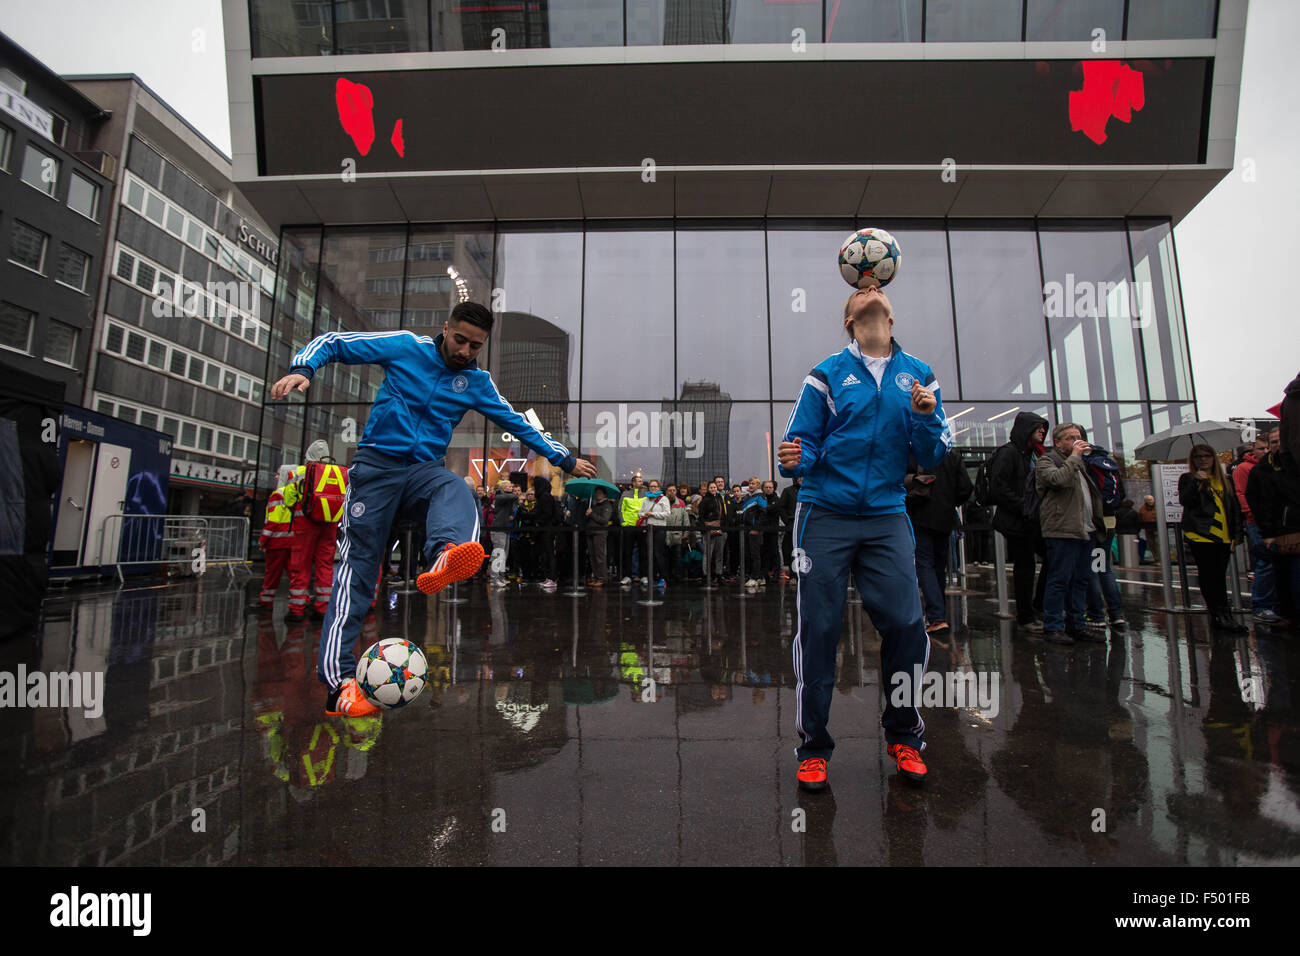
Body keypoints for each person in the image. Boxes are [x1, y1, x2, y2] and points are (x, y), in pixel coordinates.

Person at [270, 302, 596, 717]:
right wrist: (304, 367)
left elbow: (518, 422)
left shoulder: (476, 382)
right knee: (357, 571)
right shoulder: (406, 348)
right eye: (460, 340)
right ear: (446, 328)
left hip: (424, 471)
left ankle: (444, 552)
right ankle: (339, 686)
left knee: (456, 489)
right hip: (376, 470)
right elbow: (335, 342)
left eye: (475, 346)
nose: (464, 351)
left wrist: (565, 459)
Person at [779, 283, 953, 791]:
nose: (869, 288)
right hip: (824, 514)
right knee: (821, 629)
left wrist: (925, 418)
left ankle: (904, 735)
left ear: (892, 317)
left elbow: (935, 452)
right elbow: (802, 443)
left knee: (905, 624)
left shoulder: (919, 375)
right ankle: (814, 747)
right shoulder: (826, 373)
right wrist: (797, 460)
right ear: (850, 319)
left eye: (878, 285)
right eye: (859, 289)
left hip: (885, 515)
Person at [1035, 423, 1106, 645]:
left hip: (1085, 529)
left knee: (1080, 580)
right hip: (1062, 529)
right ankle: (1053, 626)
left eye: (1078, 437)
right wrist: (1075, 456)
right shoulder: (1048, 461)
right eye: (1070, 438)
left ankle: (1077, 624)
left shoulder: (1081, 464)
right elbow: (1057, 480)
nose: (1076, 441)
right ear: (1058, 442)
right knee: (1059, 579)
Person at [987, 411, 1051, 632]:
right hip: (1018, 520)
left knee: (1050, 558)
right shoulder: (1009, 454)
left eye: (1044, 427)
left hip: (1033, 519)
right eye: (1038, 427)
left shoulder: (1034, 455)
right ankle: (1026, 616)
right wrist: (1025, 506)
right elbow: (998, 488)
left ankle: (1036, 607)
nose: (1043, 431)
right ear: (1026, 429)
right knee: (1025, 567)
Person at [1245, 376, 1300, 625]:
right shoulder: (1261, 471)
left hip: (1287, 524)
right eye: (1274, 442)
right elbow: (1257, 500)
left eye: (1280, 441)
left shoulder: (1288, 466)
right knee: (1276, 569)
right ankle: (1271, 607)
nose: (1278, 445)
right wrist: (1265, 530)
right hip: (1274, 527)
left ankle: (1282, 609)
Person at [1179, 444, 1246, 633]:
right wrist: (1197, 483)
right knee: (1209, 576)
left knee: (1219, 576)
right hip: (1201, 535)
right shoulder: (1188, 479)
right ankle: (1218, 615)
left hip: (1223, 536)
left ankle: (1225, 614)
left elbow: (1233, 509)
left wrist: (1237, 533)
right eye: (1198, 456)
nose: (1203, 460)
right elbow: (1186, 501)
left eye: (1206, 456)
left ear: (1213, 458)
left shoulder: (1225, 480)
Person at [906, 450, 973, 634]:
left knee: (924, 564)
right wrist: (949, 501)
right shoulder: (951, 455)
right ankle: (938, 612)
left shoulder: (916, 452)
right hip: (944, 517)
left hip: (920, 514)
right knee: (938, 567)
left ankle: (937, 616)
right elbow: (966, 488)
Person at [286, 439, 349, 622]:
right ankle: (323, 607)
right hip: (329, 524)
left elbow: (289, 501)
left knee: (301, 564)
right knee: (325, 565)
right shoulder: (337, 473)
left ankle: (297, 608)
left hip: (305, 522)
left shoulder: (298, 472)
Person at [1233, 434, 1283, 625]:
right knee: (1266, 561)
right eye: (1262, 448)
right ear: (1253, 449)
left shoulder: (1274, 466)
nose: (1266, 451)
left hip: (1274, 521)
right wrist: (1251, 516)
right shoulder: (1245, 468)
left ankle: (1275, 605)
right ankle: (1262, 605)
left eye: (1267, 448)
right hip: (1257, 521)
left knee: (1276, 562)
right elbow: (1242, 494)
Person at [252, 464, 299, 611]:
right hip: (292, 541)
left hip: (277, 543)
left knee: (272, 574)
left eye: (279, 474)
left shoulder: (278, 494)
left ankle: (265, 602)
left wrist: (262, 540)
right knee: (294, 574)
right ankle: (300, 600)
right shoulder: (297, 493)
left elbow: (272, 522)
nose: (276, 477)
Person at [637, 479, 671, 587]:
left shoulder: (664, 499)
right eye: (651, 486)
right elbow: (639, 513)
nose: (653, 488)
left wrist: (652, 514)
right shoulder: (646, 499)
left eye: (655, 486)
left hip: (659, 529)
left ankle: (663, 577)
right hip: (648, 528)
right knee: (649, 554)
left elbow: (667, 514)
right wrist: (644, 514)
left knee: (658, 553)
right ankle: (652, 577)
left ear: (659, 488)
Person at [619, 474, 647, 585]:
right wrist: (623, 523)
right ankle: (627, 576)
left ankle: (644, 575)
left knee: (643, 552)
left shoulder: (645, 494)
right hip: (629, 527)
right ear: (633, 483)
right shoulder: (625, 494)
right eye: (639, 481)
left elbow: (648, 508)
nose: (641, 483)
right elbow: (620, 509)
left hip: (641, 526)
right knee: (627, 552)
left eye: (641, 481)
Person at [585, 487, 616, 586]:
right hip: (590, 532)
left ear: (604, 494)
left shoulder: (607, 505)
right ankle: (596, 577)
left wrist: (592, 514)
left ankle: (601, 578)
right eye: (596, 493)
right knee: (592, 556)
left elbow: (604, 520)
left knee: (600, 556)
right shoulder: (593, 504)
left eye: (600, 493)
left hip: (600, 533)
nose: (598, 495)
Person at [779, 475, 802, 577]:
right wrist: (787, 521)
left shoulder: (810, 490)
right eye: (799, 477)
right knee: (793, 551)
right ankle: (793, 575)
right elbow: (781, 507)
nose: (801, 479)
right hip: (792, 524)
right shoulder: (788, 490)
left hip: (806, 524)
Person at [1136, 494, 1161, 565]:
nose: (1151, 501)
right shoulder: (1142, 509)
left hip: (1157, 528)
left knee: (1157, 543)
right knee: (1151, 544)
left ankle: (1159, 559)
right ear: (1145, 501)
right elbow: (1140, 517)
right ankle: (1156, 559)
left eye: (1151, 500)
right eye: (1149, 500)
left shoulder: (1158, 507)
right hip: (1148, 529)